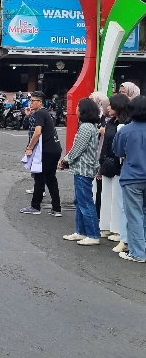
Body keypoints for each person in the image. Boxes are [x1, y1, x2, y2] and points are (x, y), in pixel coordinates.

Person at [61, 98, 101, 246]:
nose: (76, 109)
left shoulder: (86, 127)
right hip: (83, 168)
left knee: (85, 202)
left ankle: (92, 234)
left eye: (78, 107)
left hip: (84, 169)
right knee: (80, 201)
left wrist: (65, 160)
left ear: (83, 110)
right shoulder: (90, 126)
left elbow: (78, 148)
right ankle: (80, 231)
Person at [113, 95, 146, 262]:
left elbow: (118, 152)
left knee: (134, 216)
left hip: (132, 177)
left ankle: (138, 253)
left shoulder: (124, 130)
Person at [20, 91, 63, 216]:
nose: (30, 103)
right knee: (51, 178)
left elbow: (37, 132)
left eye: (33, 101)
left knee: (39, 177)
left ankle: (35, 206)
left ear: (40, 102)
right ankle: (56, 208)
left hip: (47, 150)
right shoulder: (45, 113)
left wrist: (29, 147)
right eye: (30, 100)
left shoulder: (40, 112)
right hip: (55, 149)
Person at [98, 93, 130, 252]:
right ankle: (106, 226)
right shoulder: (110, 122)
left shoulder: (125, 124)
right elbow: (105, 145)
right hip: (107, 163)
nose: (108, 107)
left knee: (118, 198)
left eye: (111, 105)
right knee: (106, 195)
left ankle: (117, 229)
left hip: (118, 165)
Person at [89, 91, 110, 223]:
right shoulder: (95, 117)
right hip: (95, 155)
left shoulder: (106, 119)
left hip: (104, 157)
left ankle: (99, 215)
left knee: (102, 189)